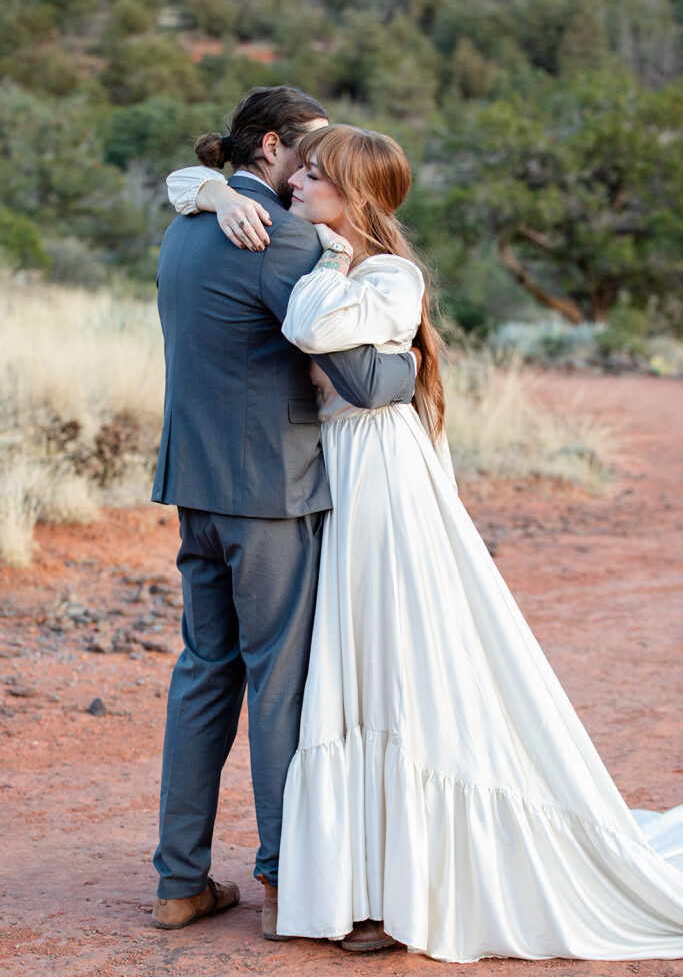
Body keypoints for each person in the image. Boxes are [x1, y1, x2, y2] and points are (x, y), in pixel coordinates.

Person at [167, 121, 683, 963]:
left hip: (377, 479)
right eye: (297, 172)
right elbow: (188, 185)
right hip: (325, 473)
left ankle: (391, 875)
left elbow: (313, 332)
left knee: (385, 656)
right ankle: (345, 873)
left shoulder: (388, 274)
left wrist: (328, 270)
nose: (296, 185)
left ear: (355, 196)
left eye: (317, 177)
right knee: (337, 669)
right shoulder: (309, 248)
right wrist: (216, 188)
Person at [150, 89, 420, 937]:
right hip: (269, 494)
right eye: (311, 150)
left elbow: (186, 187)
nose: (321, 162)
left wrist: (206, 186)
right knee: (278, 687)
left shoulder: (184, 227)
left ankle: (178, 882)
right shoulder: (288, 238)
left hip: (192, 486)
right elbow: (366, 382)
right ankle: (281, 885)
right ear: (272, 147)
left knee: (203, 674)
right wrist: (413, 369)